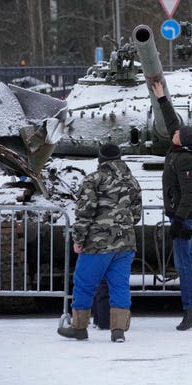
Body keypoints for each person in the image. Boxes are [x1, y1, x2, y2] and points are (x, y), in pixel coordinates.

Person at [57, 143, 142, 342]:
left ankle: (79, 327)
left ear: (100, 159)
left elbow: (85, 213)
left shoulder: (94, 179)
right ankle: (118, 330)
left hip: (97, 244)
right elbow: (136, 214)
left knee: (84, 284)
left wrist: (78, 239)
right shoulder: (132, 180)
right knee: (120, 286)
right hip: (125, 243)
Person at [152, 81, 192, 330]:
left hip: (183, 217)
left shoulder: (187, 160)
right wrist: (162, 98)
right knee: (189, 262)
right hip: (181, 216)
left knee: (184, 265)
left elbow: (189, 195)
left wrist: (178, 221)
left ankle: (191, 309)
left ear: (183, 142)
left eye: (176, 134)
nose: (173, 133)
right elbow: (172, 123)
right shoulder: (181, 146)